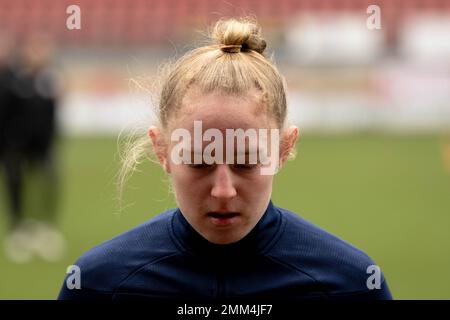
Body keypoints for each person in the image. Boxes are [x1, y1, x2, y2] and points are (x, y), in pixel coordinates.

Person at [58, 18, 392, 301]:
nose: (223, 191)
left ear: (283, 149)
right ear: (162, 151)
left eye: (246, 162)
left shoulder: (351, 285)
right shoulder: (96, 285)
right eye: (199, 162)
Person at [1, 33, 65, 263]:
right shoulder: (13, 80)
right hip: (16, 146)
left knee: (47, 185)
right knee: (16, 185)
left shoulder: (49, 80)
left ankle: (44, 227)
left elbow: (52, 114)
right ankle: (19, 228)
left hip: (44, 145)